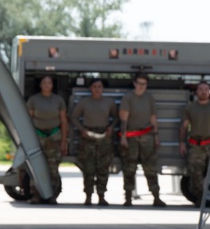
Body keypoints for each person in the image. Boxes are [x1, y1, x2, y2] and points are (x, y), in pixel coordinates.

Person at [119, 73, 165, 207]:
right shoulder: (128, 97)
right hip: (131, 136)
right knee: (129, 168)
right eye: (139, 83)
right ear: (134, 83)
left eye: (143, 84)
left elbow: (153, 118)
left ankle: (156, 197)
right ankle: (128, 198)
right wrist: (123, 137)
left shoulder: (149, 97)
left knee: (150, 168)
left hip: (147, 136)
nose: (141, 86)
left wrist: (156, 137)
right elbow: (124, 119)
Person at [70, 78, 117, 206]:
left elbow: (117, 117)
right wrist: (81, 129)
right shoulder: (84, 102)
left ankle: (101, 196)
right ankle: (88, 196)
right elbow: (74, 117)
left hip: (104, 137)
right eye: (94, 86)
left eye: (99, 86)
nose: (97, 89)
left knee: (103, 168)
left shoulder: (109, 102)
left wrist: (111, 127)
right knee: (88, 169)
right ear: (90, 88)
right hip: (87, 137)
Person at [25, 75, 69, 204]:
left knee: (53, 168)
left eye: (49, 83)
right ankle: (35, 194)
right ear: (40, 85)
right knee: (37, 166)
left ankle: (52, 195)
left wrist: (63, 141)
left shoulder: (58, 100)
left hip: (54, 136)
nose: (47, 85)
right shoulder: (34, 100)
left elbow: (64, 121)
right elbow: (28, 120)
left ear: (52, 85)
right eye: (44, 82)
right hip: (38, 136)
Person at [179, 81, 210, 205]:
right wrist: (181, 143)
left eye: (206, 89)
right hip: (196, 145)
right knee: (195, 174)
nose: (203, 91)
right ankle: (200, 199)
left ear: (209, 92)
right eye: (201, 89)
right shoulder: (190, 108)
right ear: (196, 92)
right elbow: (183, 127)